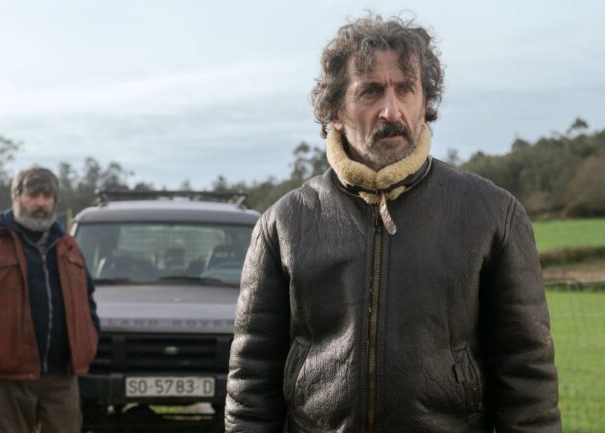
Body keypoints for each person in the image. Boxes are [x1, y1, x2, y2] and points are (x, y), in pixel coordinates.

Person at [225, 14, 561, 433]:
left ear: (425, 101)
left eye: (405, 89)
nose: (391, 110)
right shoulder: (283, 225)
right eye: (371, 91)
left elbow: (528, 380)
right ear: (335, 109)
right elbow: (251, 384)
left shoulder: (492, 214)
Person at [0, 166, 100, 433]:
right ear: (16, 197)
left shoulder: (68, 245)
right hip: (5, 377)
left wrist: (88, 338)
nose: (40, 203)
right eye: (33, 195)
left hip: (60, 377)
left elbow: (86, 299)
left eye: (48, 196)